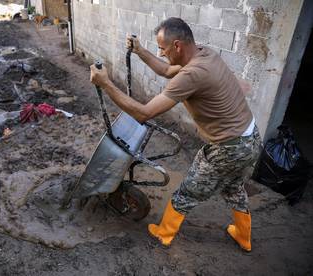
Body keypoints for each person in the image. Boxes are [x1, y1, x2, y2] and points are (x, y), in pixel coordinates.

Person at [90, 17, 261, 252]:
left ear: (178, 46)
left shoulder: (193, 74)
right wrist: (140, 51)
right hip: (250, 139)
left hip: (229, 148)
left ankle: (164, 233)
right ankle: (243, 236)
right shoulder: (203, 54)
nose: (160, 53)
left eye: (162, 48)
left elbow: (144, 113)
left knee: (187, 191)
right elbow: (167, 70)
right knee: (233, 187)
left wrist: (106, 83)